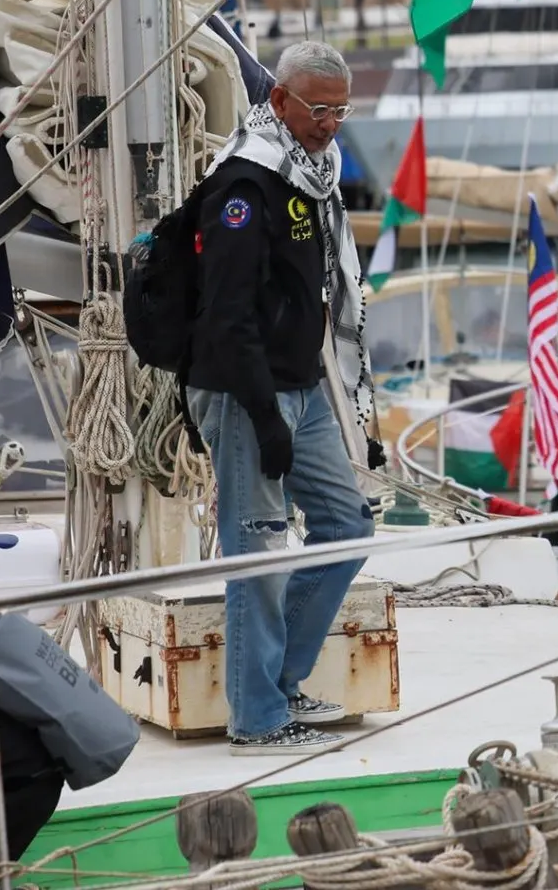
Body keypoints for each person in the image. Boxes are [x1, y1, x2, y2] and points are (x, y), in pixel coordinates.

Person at [186, 41, 377, 755]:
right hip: (246, 395)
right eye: (318, 108)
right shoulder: (247, 184)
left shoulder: (316, 178)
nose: (330, 123)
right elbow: (226, 315)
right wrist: (266, 418)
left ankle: (280, 681)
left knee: (347, 526)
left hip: (305, 387)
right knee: (258, 557)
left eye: (339, 109)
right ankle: (257, 718)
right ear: (280, 102)